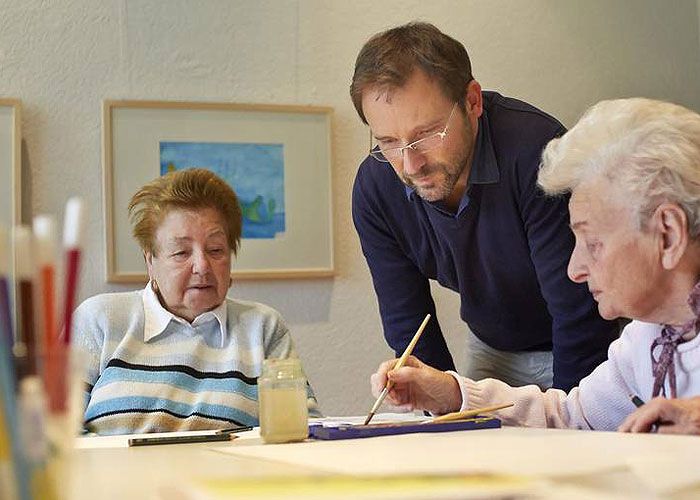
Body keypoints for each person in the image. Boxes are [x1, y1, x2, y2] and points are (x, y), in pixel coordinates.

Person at [370, 98, 700, 434]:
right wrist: (453, 395)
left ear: (669, 235)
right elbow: (572, 419)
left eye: (593, 244)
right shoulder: (647, 337)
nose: (575, 271)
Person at [351, 21, 618, 391]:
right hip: (494, 346)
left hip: (581, 343)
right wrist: (438, 403)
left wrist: (572, 423)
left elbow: (578, 312)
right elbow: (407, 321)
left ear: (472, 101)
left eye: (427, 134)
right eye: (389, 142)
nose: (411, 165)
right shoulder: (376, 188)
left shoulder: (538, 153)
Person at [72, 168, 319, 435]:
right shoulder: (100, 320)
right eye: (181, 252)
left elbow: (303, 429)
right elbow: (56, 434)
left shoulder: (262, 327)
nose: (202, 266)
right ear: (150, 261)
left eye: (215, 250)